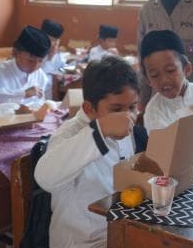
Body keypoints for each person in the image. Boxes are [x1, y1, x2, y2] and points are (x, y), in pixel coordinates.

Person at [34, 56, 147, 248]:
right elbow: (44, 177)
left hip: (117, 231)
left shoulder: (128, 132)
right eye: (116, 109)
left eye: (133, 107)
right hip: (80, 241)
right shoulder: (69, 134)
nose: (128, 117)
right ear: (89, 108)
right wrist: (101, 130)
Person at [0, 26, 50, 108]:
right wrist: (22, 94)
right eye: (30, 60)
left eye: (40, 61)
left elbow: (39, 104)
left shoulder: (40, 75)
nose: (35, 66)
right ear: (15, 53)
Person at [40, 19, 67, 99]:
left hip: (51, 91)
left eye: (57, 40)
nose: (55, 43)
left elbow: (62, 67)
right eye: (52, 40)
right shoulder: (34, 51)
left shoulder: (55, 52)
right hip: (37, 92)